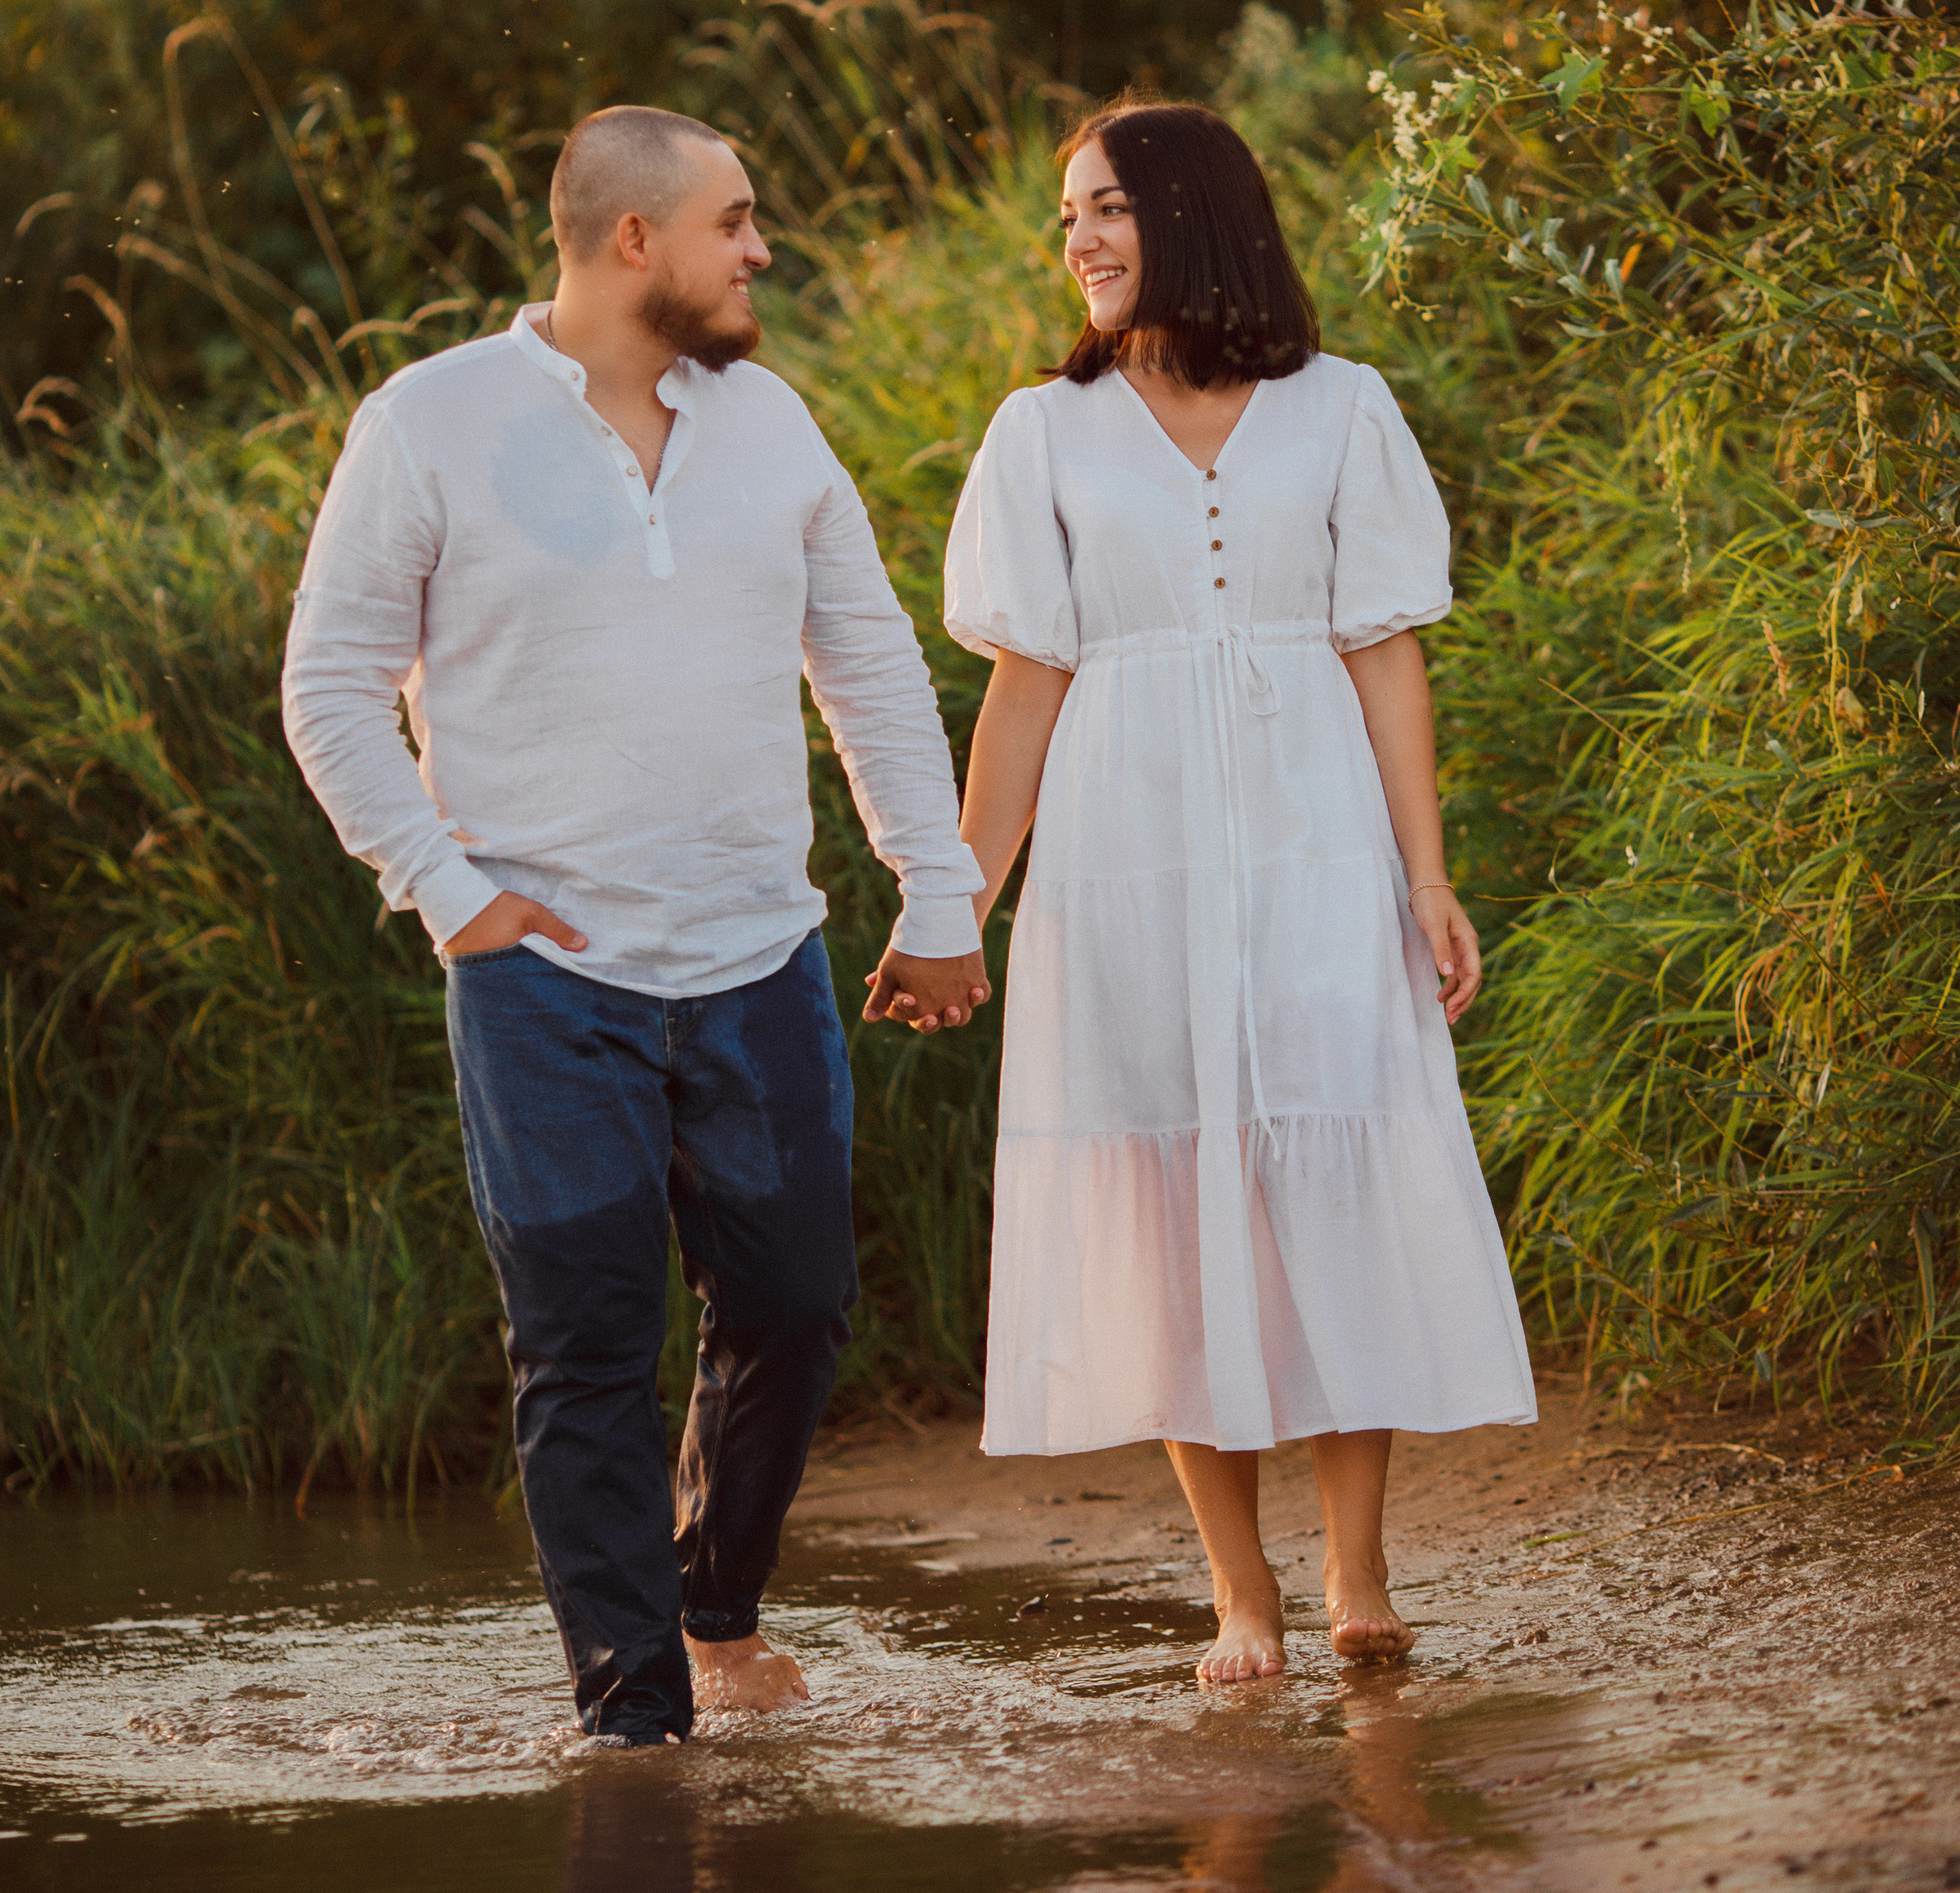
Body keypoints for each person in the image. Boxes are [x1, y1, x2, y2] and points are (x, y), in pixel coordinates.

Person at [282, 105, 988, 1744]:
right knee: (583, 1344)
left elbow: (867, 668)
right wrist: (445, 891)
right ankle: (630, 1710)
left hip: (759, 955)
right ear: (630, 241)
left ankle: (711, 1605)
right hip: (547, 981)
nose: (759, 249)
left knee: (797, 1305)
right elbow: (329, 689)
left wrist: (935, 889)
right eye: (733, 221)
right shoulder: (433, 423)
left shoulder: (772, 423)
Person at [944, 100, 1534, 1686]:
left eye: (1105, 209)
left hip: (1312, 844)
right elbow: (1022, 685)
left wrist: (1424, 876)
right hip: (1120, 859)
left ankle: (1354, 1573)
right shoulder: (1038, 435)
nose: (1075, 240)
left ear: (1195, 215)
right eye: (1065, 216)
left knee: (1328, 1179)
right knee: (1162, 1204)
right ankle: (1237, 1593)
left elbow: (1383, 653)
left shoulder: (1340, 410)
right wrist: (956, 900)